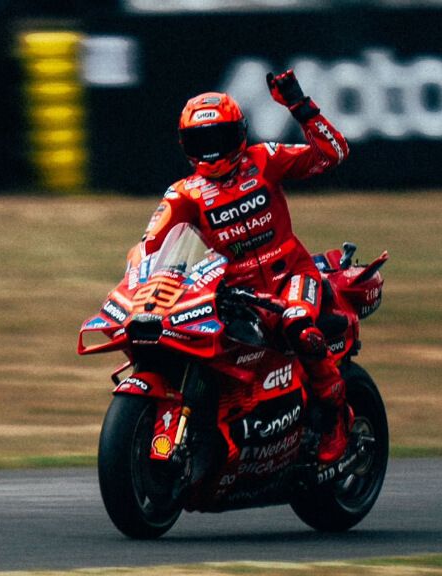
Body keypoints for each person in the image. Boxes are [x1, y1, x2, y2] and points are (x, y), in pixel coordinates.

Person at [140, 70, 351, 465]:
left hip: (292, 276)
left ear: (237, 134)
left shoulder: (265, 160)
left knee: (297, 325)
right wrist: (142, 284)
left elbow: (333, 154)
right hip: (236, 293)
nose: (211, 150)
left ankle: (335, 412)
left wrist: (299, 106)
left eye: (218, 138)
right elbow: (149, 247)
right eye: (200, 142)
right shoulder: (184, 193)